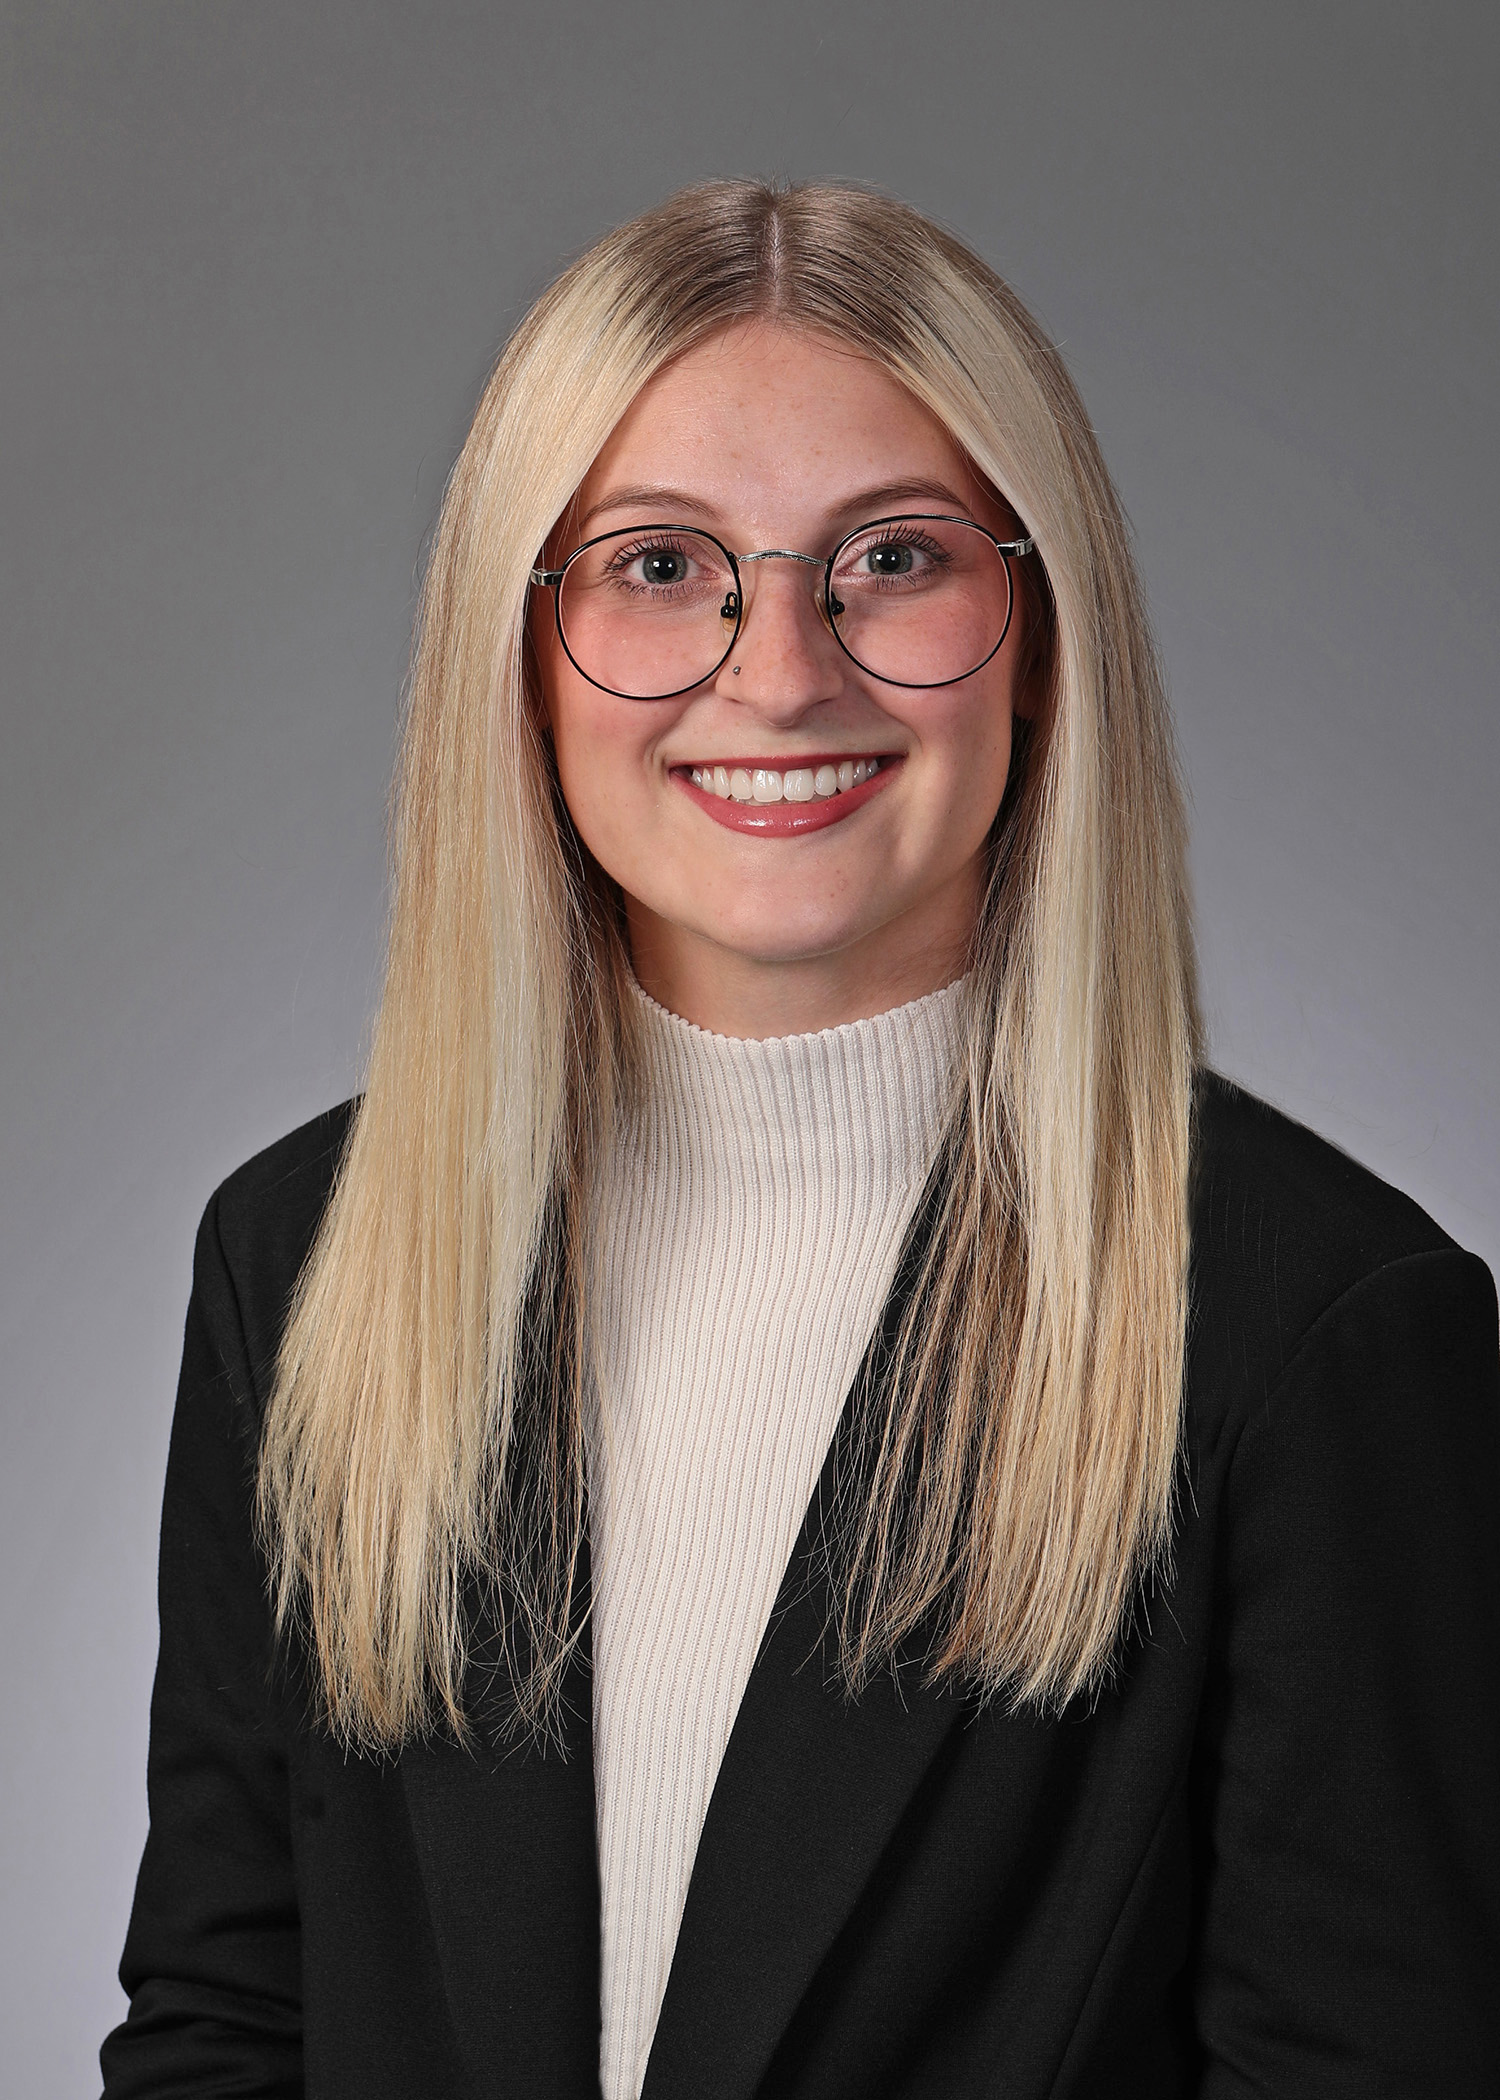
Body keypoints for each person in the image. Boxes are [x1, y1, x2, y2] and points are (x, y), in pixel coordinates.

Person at [100, 180, 1499, 2100]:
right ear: (521, 645)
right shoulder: (307, 1262)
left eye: (895, 558)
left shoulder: (1316, 1327)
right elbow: (228, 2025)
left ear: (1040, 632)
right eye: (660, 566)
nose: (779, 675)